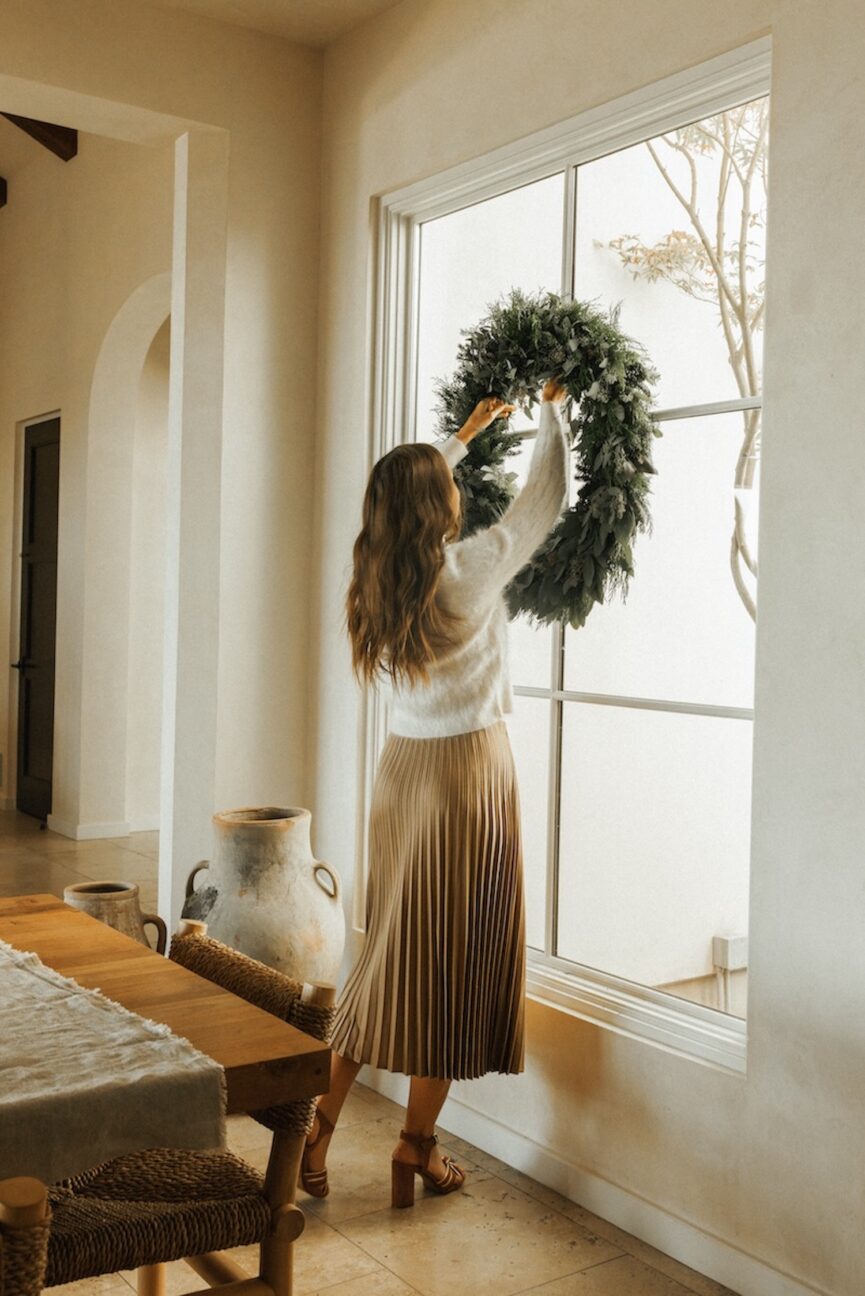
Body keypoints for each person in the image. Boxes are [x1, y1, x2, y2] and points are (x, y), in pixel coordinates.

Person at [301, 377, 569, 1208]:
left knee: (387, 957)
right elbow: (545, 499)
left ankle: (318, 1130)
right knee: (451, 969)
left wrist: (459, 438)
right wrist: (554, 413)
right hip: (467, 774)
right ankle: (415, 1146)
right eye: (447, 486)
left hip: (401, 775)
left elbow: (398, 499)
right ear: (437, 508)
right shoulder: (471, 568)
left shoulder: (374, 576)